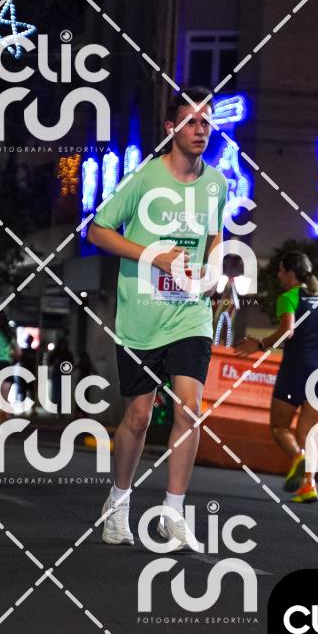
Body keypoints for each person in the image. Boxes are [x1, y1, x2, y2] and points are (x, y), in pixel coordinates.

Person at [88, 87, 227, 548]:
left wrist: (213, 272)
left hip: (191, 314)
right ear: (171, 128)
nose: (200, 130)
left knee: (190, 409)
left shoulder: (217, 183)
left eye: (206, 122)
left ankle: (173, 512)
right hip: (142, 315)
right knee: (138, 417)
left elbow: (215, 235)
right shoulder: (144, 179)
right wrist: (153, 256)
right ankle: (118, 503)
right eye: (190, 121)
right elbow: (97, 231)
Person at [235, 251, 318, 504]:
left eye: (281, 271)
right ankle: (309, 487)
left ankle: (298, 456)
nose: (279, 276)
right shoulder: (317, 298)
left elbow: (287, 332)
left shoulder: (288, 297)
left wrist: (259, 344)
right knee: (308, 433)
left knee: (280, 427)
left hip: (301, 366)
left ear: (291, 273)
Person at [48, 335, 74, 416]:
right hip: (56, 374)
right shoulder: (55, 353)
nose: (62, 346)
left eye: (63, 344)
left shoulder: (68, 354)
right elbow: (50, 362)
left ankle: (60, 410)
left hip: (64, 374)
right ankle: (55, 409)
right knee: (55, 392)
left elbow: (72, 363)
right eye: (61, 344)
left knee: (63, 393)